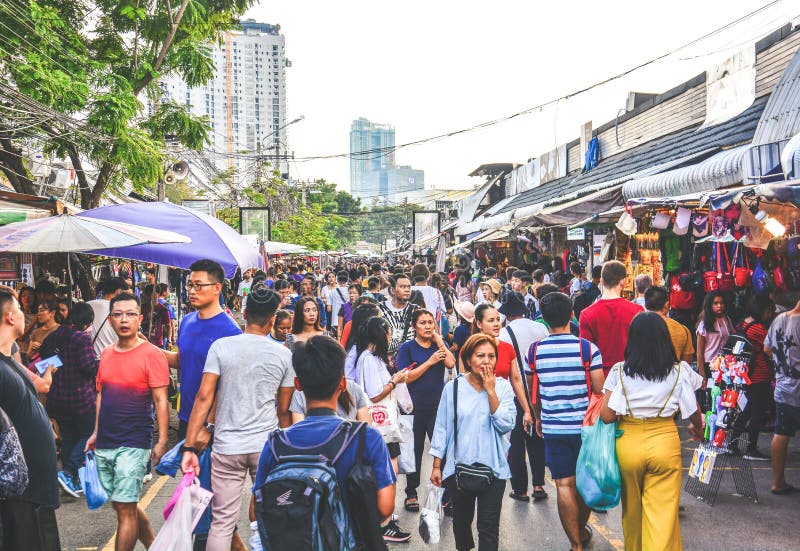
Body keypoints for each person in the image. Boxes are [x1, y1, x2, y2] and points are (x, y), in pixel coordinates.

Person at [253, 336, 397, 545]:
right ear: (342, 383)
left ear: (298, 384)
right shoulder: (365, 437)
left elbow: (255, 510)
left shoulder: (276, 442)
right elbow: (385, 508)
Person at [181, 284, 294, 550]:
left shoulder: (221, 347)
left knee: (221, 522)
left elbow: (204, 396)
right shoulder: (284, 355)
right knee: (272, 515)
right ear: (272, 320)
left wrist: (189, 445)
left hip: (226, 446)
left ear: (244, 313)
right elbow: (284, 409)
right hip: (265, 446)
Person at [599, 312, 703, 551]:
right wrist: (698, 429)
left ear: (632, 339)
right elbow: (693, 412)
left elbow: (606, 415)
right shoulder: (679, 371)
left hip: (628, 442)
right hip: (664, 441)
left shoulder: (619, 371)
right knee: (663, 514)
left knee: (632, 511)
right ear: (664, 339)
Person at [84, 292, 170, 551]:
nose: (124, 319)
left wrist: (163, 440)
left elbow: (161, 400)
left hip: (134, 441)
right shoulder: (107, 354)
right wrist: (96, 432)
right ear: (110, 320)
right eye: (118, 314)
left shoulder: (152, 354)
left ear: (140, 319)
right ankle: (154, 544)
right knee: (124, 504)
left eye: (130, 314)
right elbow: (101, 395)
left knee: (124, 507)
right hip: (106, 440)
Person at [528, 292, 604, 550]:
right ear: (572, 315)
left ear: (544, 319)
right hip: (585, 429)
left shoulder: (535, 351)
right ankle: (580, 530)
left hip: (553, 427)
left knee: (563, 484)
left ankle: (575, 544)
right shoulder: (588, 349)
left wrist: (538, 417)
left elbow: (534, 392)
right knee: (584, 485)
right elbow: (599, 390)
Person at [430, 334, 516, 551]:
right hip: (459, 468)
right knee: (461, 524)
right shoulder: (454, 388)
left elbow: (506, 424)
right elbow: (442, 427)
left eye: (491, 356)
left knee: (488, 527)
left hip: (494, 469)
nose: (486, 361)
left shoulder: (504, 388)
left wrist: (490, 390)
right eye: (480, 356)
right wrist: (436, 466)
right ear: (468, 360)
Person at [0, 287, 61, 550]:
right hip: (20, 494)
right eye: (21, 308)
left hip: (36, 492)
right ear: (10, 317)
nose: (27, 314)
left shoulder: (9, 360)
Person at [164, 260, 242, 442]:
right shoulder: (187, 321)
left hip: (215, 426)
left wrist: (210, 424)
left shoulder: (231, 331)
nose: (191, 291)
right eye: (190, 285)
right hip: (186, 416)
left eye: (198, 286)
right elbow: (183, 361)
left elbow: (229, 383)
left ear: (217, 288)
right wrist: (145, 346)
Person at [354, 316, 413, 542]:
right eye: (387, 332)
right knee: (388, 471)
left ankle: (384, 517)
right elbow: (374, 393)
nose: (389, 337)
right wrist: (395, 380)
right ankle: (384, 523)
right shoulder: (369, 359)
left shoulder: (370, 358)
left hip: (382, 423)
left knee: (389, 469)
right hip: (381, 424)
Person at [396, 308, 456, 511]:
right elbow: (405, 377)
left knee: (442, 449)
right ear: (414, 326)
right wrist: (430, 362)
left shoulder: (440, 345)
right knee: (415, 451)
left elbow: (450, 362)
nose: (428, 326)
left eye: (431, 322)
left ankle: (448, 494)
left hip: (437, 407)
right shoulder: (407, 348)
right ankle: (411, 492)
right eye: (423, 323)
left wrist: (440, 342)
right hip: (413, 407)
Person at [39, 303, 98, 498]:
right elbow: (89, 367)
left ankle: (69, 480)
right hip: (81, 399)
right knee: (88, 436)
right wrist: (102, 361)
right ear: (87, 322)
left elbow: (44, 364)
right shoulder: (82, 338)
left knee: (69, 438)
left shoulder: (54, 336)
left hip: (57, 398)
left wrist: (61, 365)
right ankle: (68, 471)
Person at [498, 292, 549, 502]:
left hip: (515, 392)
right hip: (538, 389)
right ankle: (539, 485)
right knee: (537, 438)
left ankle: (520, 489)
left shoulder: (503, 333)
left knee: (516, 443)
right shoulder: (540, 328)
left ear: (507, 315)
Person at [579, 260, 643, 376]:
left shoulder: (586, 314)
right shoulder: (637, 311)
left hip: (600, 377)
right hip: (630, 376)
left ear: (601, 281)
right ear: (623, 282)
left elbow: (586, 354)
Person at [730, 294, 775, 461]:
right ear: (761, 310)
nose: (770, 314)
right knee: (757, 412)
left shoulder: (743, 323)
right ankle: (751, 448)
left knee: (747, 410)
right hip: (759, 375)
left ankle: (733, 443)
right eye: (769, 311)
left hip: (747, 374)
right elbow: (769, 348)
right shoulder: (758, 328)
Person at [764, 294, 800, 494]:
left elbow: (767, 348)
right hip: (796, 386)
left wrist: (782, 364)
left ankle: (777, 482)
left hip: (783, 385)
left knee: (781, 432)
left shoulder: (779, 318)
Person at [644, 286, 694, 363]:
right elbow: (687, 365)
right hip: (673, 373)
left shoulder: (638, 327)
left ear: (646, 305)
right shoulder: (682, 330)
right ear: (666, 306)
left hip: (644, 374)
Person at [378, 273, 418, 366]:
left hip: (409, 362)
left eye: (409, 287)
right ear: (392, 290)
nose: (407, 290)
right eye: (403, 287)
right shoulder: (379, 309)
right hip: (383, 362)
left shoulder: (416, 310)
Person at [696, 290, 734, 380]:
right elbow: (699, 353)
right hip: (709, 365)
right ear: (710, 305)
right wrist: (702, 374)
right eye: (715, 303)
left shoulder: (727, 320)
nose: (719, 306)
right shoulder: (704, 324)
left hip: (725, 365)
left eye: (721, 303)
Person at [87, 277, 130, 357]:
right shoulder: (120, 310)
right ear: (119, 291)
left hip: (90, 360)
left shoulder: (87, 305)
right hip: (111, 360)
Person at [329, 271, 350, 337]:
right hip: (348, 321)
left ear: (337, 280)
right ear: (347, 279)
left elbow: (329, 309)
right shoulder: (351, 291)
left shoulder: (332, 292)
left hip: (335, 321)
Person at [155, 283, 176, 348]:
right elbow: (171, 323)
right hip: (164, 336)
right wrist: (172, 337)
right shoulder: (168, 305)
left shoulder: (153, 303)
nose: (169, 292)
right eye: (168, 290)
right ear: (164, 293)